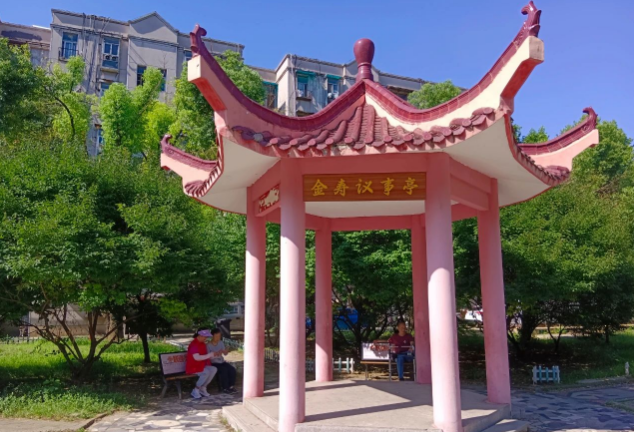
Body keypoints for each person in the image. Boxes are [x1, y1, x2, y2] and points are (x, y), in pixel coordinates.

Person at [186, 328, 218, 399]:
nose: (206, 338)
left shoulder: (202, 344)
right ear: (199, 336)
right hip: (193, 367)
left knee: (213, 369)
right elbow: (197, 358)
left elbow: (204, 356)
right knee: (206, 372)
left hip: (201, 365)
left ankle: (203, 388)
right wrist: (209, 355)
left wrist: (212, 356)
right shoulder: (194, 345)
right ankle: (196, 389)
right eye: (205, 336)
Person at [207, 328, 238, 394]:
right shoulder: (208, 345)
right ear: (212, 336)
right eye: (216, 336)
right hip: (214, 362)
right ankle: (225, 387)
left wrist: (226, 350)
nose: (218, 338)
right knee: (223, 370)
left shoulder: (220, 342)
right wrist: (215, 354)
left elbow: (225, 354)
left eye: (219, 336)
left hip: (221, 361)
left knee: (232, 369)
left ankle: (231, 386)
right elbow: (208, 357)